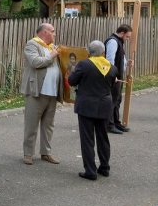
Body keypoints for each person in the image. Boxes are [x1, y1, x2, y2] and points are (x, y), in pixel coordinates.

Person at [67, 40, 115, 181]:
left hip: (87, 105)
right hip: (105, 104)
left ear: (89, 52)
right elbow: (112, 84)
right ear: (103, 53)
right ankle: (105, 168)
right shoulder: (111, 67)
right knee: (103, 137)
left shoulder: (84, 64)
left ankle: (90, 170)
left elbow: (72, 81)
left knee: (87, 138)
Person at [20, 23, 62, 164]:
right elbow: (35, 62)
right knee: (31, 125)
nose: (55, 34)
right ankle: (28, 154)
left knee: (49, 125)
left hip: (52, 92)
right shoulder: (32, 44)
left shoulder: (51, 47)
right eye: (53, 31)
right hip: (36, 91)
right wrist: (52, 56)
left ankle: (46, 153)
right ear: (45, 32)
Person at [104, 25, 132, 134]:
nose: (128, 39)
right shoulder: (113, 42)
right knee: (112, 101)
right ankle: (109, 125)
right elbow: (109, 60)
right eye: (127, 36)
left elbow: (120, 58)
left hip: (118, 77)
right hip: (113, 77)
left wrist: (127, 63)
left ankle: (116, 122)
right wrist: (112, 75)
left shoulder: (119, 42)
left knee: (117, 100)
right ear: (122, 33)